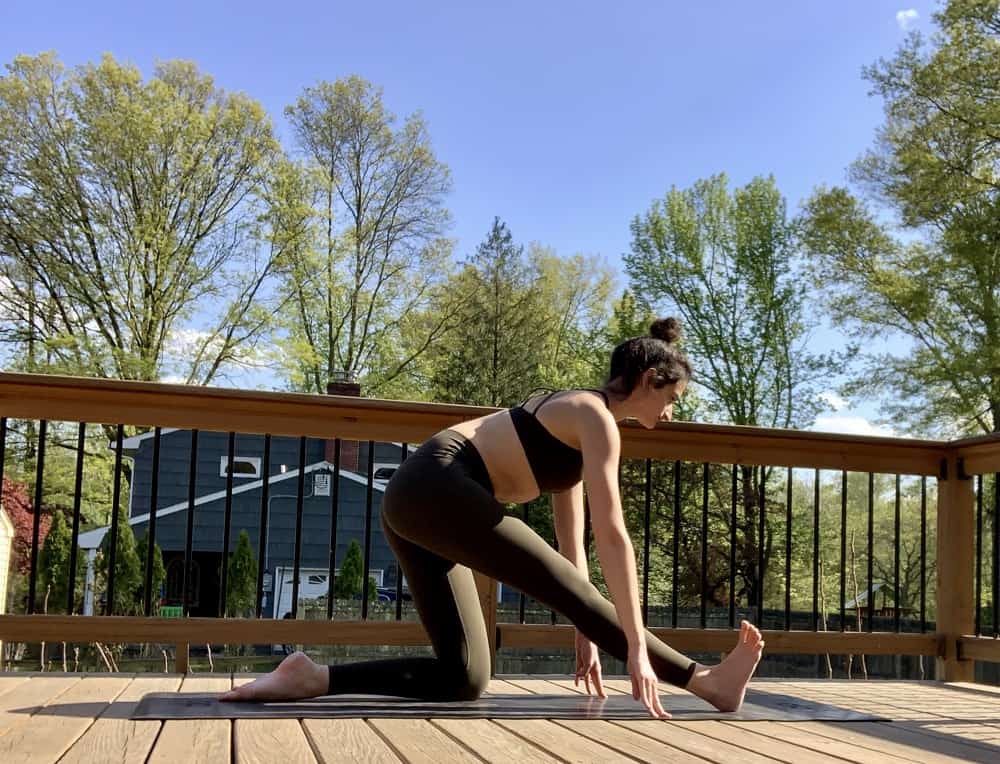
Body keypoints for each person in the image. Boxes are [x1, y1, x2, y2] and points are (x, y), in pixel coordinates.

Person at [221, 317, 765, 718]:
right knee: (569, 599)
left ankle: (312, 676)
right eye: (673, 396)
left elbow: (573, 555)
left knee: (464, 676)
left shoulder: (580, 427)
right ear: (649, 378)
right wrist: (638, 655)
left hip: (420, 504)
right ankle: (706, 682)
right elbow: (615, 535)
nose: (673, 411)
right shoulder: (594, 416)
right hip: (437, 485)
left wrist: (588, 630)